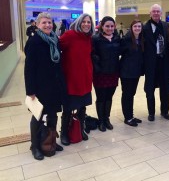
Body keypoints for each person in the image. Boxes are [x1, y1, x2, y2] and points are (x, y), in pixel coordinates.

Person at [24, 12, 65, 160]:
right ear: (37, 24)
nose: (48, 25)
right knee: (38, 116)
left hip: (54, 85)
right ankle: (35, 146)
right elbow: (28, 68)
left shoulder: (54, 39)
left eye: (50, 22)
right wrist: (30, 91)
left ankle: (51, 140)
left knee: (53, 114)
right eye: (44, 23)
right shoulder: (34, 42)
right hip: (40, 87)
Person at [59, 13, 94, 145]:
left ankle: (80, 129)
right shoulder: (69, 35)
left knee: (82, 106)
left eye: (89, 22)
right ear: (79, 23)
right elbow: (57, 49)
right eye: (84, 22)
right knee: (68, 107)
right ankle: (64, 133)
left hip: (85, 77)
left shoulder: (89, 38)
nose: (86, 24)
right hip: (71, 78)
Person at [143, 4, 169, 121]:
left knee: (165, 88)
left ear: (161, 13)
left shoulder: (166, 25)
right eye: (153, 11)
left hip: (164, 62)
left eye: (158, 11)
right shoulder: (145, 28)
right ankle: (151, 112)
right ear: (150, 13)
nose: (155, 13)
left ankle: (165, 111)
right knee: (150, 89)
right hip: (151, 63)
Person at [92, 16, 120, 132]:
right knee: (101, 97)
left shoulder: (117, 38)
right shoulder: (95, 39)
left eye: (112, 26)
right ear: (102, 26)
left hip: (113, 73)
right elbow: (92, 55)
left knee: (109, 97)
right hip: (100, 74)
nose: (109, 28)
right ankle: (101, 121)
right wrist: (98, 68)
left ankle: (106, 119)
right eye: (107, 26)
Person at [120, 20, 144, 126]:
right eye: (135, 26)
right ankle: (127, 117)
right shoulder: (126, 39)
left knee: (132, 94)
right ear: (131, 27)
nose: (137, 28)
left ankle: (131, 115)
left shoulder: (141, 39)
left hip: (136, 72)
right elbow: (120, 52)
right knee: (127, 94)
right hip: (126, 72)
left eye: (139, 26)